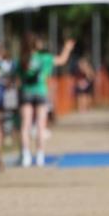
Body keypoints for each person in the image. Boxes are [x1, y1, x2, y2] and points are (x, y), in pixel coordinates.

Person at [18, 33, 75, 167]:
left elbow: (17, 78)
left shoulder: (22, 59)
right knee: (40, 125)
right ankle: (40, 156)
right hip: (41, 92)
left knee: (25, 125)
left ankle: (26, 155)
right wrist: (67, 48)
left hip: (26, 92)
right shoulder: (45, 58)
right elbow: (61, 60)